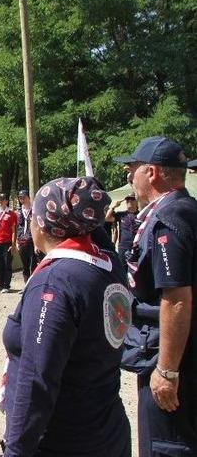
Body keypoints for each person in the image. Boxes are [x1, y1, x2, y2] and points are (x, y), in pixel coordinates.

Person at [1, 176, 132, 457]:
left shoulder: (55, 281)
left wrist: (16, 450)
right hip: (105, 428)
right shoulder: (107, 264)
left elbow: (37, 379)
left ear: (45, 223)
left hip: (64, 439)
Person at [115, 136, 197, 456]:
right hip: (183, 351)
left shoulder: (168, 219)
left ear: (152, 173)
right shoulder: (186, 209)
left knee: (167, 446)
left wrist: (167, 370)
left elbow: (176, 298)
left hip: (174, 356)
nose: (127, 175)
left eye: (132, 168)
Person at [0, 193, 18, 293]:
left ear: (6, 201)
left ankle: (6, 285)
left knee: (7, 264)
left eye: (3, 199)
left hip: (7, 243)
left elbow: (14, 230)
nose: (1, 201)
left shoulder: (11, 214)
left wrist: (13, 244)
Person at [106, 194, 139, 271]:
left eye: (132, 200)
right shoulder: (121, 214)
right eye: (127, 200)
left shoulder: (141, 214)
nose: (129, 202)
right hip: (123, 247)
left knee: (137, 270)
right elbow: (107, 218)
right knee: (122, 270)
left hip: (136, 247)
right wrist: (114, 207)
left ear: (136, 201)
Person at [15, 189, 35, 282]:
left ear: (29, 197)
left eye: (23, 197)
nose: (22, 199)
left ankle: (33, 284)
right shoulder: (17, 212)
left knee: (33, 264)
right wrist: (16, 242)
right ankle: (26, 284)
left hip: (33, 241)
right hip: (22, 241)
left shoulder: (35, 210)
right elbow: (15, 228)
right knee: (25, 264)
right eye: (20, 198)